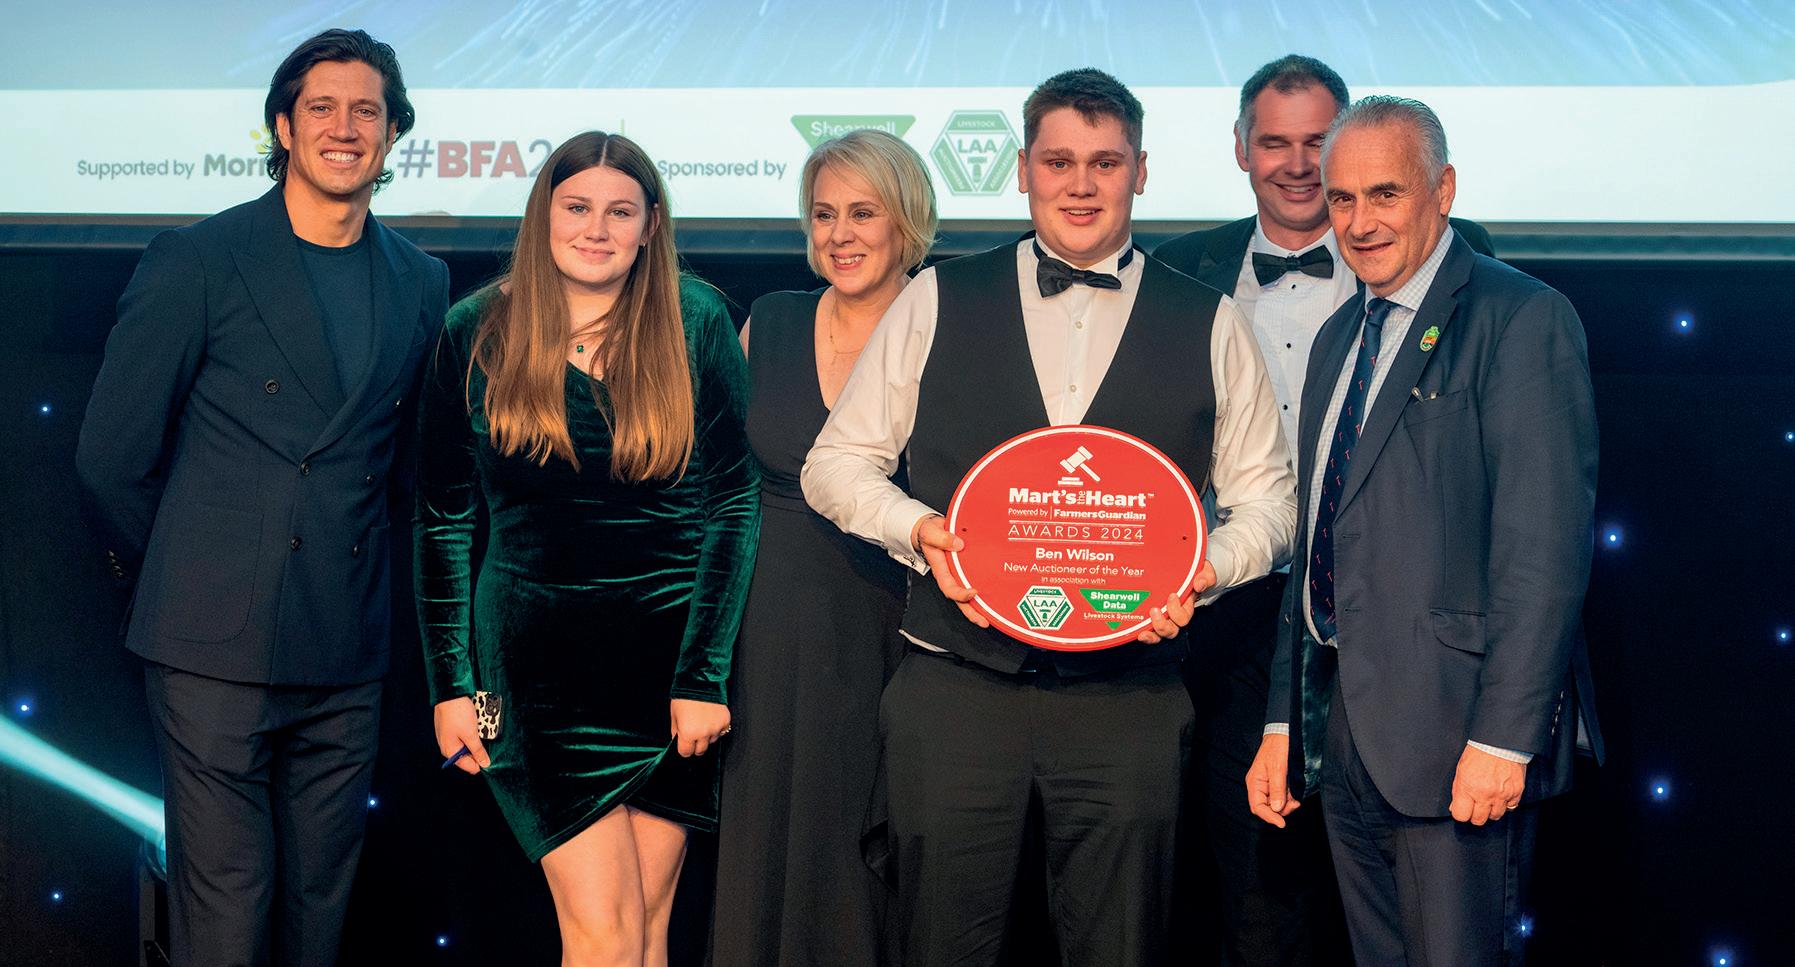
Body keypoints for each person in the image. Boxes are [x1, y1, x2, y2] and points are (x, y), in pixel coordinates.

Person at [803, 68, 1295, 966]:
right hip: (955, 683)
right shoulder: (937, 297)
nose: (1080, 184)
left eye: (1104, 162)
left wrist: (1205, 571)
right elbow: (835, 464)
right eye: (1059, 161)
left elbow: (1267, 501)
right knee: (941, 945)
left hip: (1129, 698)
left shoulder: (1212, 320)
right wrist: (919, 533)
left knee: (1121, 944)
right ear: (1023, 168)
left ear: (1140, 171)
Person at [73, 28, 447, 966]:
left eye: (365, 111)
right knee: (228, 914)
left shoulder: (422, 279)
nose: (343, 128)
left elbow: (406, 476)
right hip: (211, 650)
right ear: (283, 126)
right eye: (321, 108)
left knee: (320, 915)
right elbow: (110, 458)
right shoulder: (200, 258)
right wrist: (186, 580)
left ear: (392, 134)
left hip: (345, 646)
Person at [1154, 54, 1497, 966]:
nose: (1299, 165)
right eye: (1275, 142)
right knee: (1250, 887)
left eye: (1319, 143)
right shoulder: (1175, 268)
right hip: (1225, 615)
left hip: (1390, 627)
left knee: (1400, 900)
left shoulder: (1460, 274)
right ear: (1240, 149)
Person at [1245, 96, 1602, 966]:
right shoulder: (1339, 335)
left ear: (1441, 191)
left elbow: (1542, 552)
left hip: (1456, 737)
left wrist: (1503, 738)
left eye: (1385, 194)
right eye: (1341, 199)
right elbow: (1319, 537)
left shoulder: (1519, 317)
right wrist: (1284, 722)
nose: (1359, 222)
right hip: (1344, 738)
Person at [414, 131, 758, 967]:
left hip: (669, 669)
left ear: (650, 225)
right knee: (602, 933)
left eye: (619, 211)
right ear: (544, 214)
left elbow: (733, 501)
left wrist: (702, 676)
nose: (596, 229)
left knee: (644, 933)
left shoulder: (696, 317)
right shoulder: (475, 328)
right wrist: (451, 685)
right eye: (576, 207)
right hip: (536, 672)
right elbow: (441, 518)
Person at [711, 129, 937, 967]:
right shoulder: (767, 321)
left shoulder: (950, 324)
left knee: (874, 845)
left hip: (900, 626)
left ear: (906, 220)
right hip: (770, 627)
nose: (840, 234)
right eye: (823, 214)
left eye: (862, 213)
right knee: (768, 834)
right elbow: (717, 483)